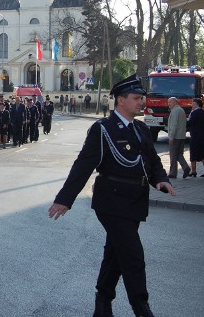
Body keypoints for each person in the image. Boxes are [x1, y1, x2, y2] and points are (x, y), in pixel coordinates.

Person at [48, 74, 175, 317]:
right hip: (112, 200)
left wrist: (161, 179)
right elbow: (83, 164)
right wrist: (65, 198)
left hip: (136, 200)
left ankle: (103, 300)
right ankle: (141, 307)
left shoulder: (141, 128)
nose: (141, 102)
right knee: (133, 254)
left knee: (116, 252)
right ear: (120, 100)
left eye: (142, 98)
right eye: (137, 98)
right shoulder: (102, 129)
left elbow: (152, 159)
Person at [187, 98, 204, 178]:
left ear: (196, 104)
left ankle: (194, 171)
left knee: (193, 154)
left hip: (196, 136)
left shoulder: (194, 113)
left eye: (193, 103)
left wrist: (186, 122)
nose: (192, 105)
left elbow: (190, 123)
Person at [167, 97, 191, 179]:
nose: (168, 104)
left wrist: (171, 136)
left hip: (175, 136)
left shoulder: (175, 111)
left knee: (173, 155)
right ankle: (186, 167)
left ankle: (173, 173)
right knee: (179, 154)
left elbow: (174, 125)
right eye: (168, 102)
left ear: (174, 102)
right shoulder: (181, 110)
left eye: (170, 102)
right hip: (181, 136)